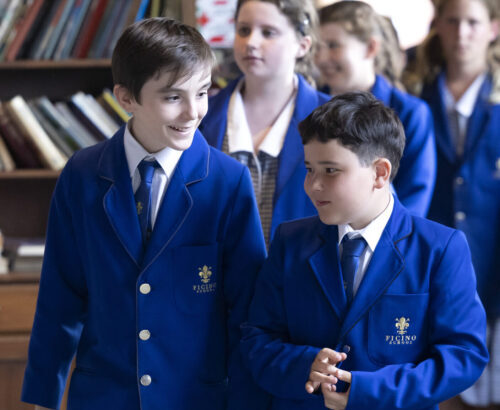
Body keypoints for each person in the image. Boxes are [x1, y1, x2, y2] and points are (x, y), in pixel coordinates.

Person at [21, 18, 267, 410]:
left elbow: (248, 310)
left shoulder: (229, 181)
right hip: (102, 397)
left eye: (202, 92)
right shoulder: (82, 175)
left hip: (197, 398)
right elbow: (60, 298)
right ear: (126, 98)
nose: (193, 112)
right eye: (173, 97)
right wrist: (42, 397)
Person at [240, 91, 488, 410]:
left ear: (380, 173)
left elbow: (463, 356)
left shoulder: (440, 248)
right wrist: (306, 364)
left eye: (330, 170)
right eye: (309, 169)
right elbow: (257, 339)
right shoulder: (290, 241)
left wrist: (368, 389)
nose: (312, 185)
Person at [403, 0, 500, 409]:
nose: (462, 33)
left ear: (493, 28)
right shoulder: (415, 91)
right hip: (433, 253)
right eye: (453, 21)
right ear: (437, 24)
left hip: (493, 250)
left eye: (473, 22)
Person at [199, 0, 330, 247]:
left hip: (300, 275)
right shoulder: (201, 115)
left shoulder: (335, 119)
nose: (251, 42)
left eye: (268, 32)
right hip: (218, 275)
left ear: (302, 45)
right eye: (244, 30)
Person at [315, 1, 436, 217]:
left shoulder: (410, 113)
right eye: (318, 47)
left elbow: (414, 200)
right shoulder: (311, 107)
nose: (322, 59)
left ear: (371, 47)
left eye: (333, 45)